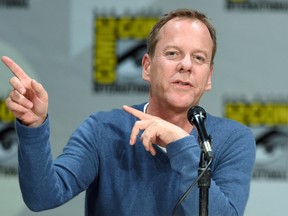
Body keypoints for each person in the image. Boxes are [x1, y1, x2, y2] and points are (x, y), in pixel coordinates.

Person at [2, 8, 255, 216]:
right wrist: (34, 127)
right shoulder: (104, 130)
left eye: (199, 58)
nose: (186, 65)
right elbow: (42, 197)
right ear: (147, 67)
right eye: (172, 53)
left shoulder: (234, 140)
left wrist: (180, 144)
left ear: (208, 77)